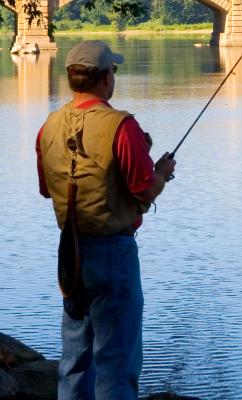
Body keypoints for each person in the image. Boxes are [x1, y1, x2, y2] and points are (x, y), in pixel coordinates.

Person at [35, 40, 176, 399]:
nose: (114, 77)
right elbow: (144, 191)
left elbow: (47, 190)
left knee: (74, 361)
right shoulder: (121, 125)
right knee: (116, 364)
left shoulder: (48, 126)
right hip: (113, 253)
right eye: (113, 71)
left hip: (71, 252)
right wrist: (160, 171)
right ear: (104, 80)